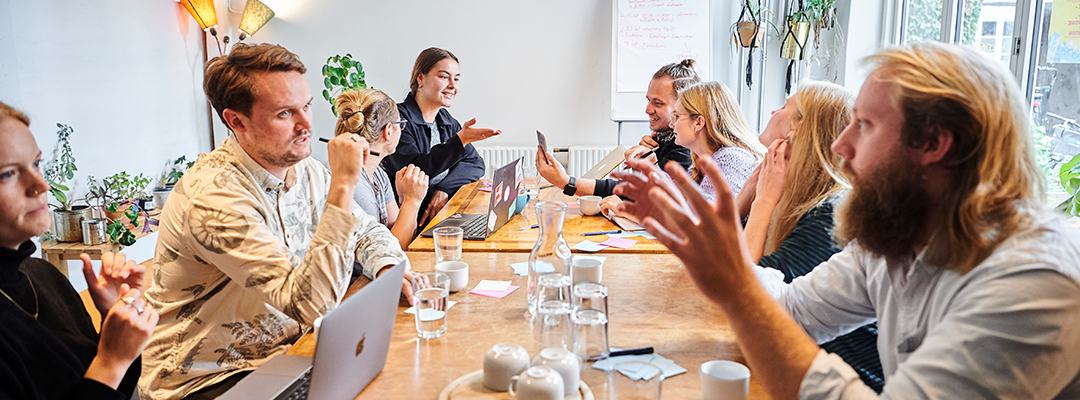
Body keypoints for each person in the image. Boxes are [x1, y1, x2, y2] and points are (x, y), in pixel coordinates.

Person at [613, 42, 1080, 398]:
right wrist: (714, 259)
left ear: (935, 144)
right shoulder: (901, 232)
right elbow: (793, 312)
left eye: (866, 126)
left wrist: (734, 282)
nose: (840, 147)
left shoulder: (1036, 282)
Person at [140, 43, 410, 400]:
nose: (306, 124)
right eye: (285, 113)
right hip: (208, 379)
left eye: (308, 106)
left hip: (288, 355)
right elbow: (310, 305)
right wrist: (344, 182)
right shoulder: (212, 197)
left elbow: (368, 229)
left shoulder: (304, 169)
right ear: (236, 121)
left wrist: (390, 267)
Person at [0, 101, 158, 399]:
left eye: (35, 164)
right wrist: (111, 360)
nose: (40, 185)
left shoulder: (41, 275)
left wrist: (113, 320)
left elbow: (103, 386)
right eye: (7, 174)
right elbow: (102, 375)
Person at [738, 81, 884, 391]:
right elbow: (768, 300)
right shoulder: (795, 198)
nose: (774, 112)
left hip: (849, 382)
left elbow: (747, 293)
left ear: (803, 135)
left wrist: (762, 201)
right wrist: (751, 196)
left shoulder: (830, 211)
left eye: (786, 109)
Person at [536, 60, 696, 201]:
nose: (648, 109)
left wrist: (568, 183)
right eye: (648, 100)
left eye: (658, 103)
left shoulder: (685, 149)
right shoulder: (663, 139)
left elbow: (632, 194)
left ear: (682, 106)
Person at [383, 47, 501, 226]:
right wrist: (460, 141)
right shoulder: (398, 119)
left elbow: (475, 163)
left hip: (444, 212)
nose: (453, 86)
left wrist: (444, 189)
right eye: (444, 77)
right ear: (420, 78)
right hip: (409, 220)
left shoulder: (445, 120)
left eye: (457, 79)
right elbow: (414, 171)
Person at [335, 88, 429, 249]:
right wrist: (412, 201)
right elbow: (391, 250)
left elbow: (399, 230)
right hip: (362, 274)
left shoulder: (377, 173)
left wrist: (405, 200)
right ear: (388, 132)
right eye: (400, 125)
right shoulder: (355, 184)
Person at [668, 81, 764, 201]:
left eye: (676, 116)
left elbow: (703, 216)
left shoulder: (731, 160)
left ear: (698, 123)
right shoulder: (699, 166)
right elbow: (667, 199)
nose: (671, 124)